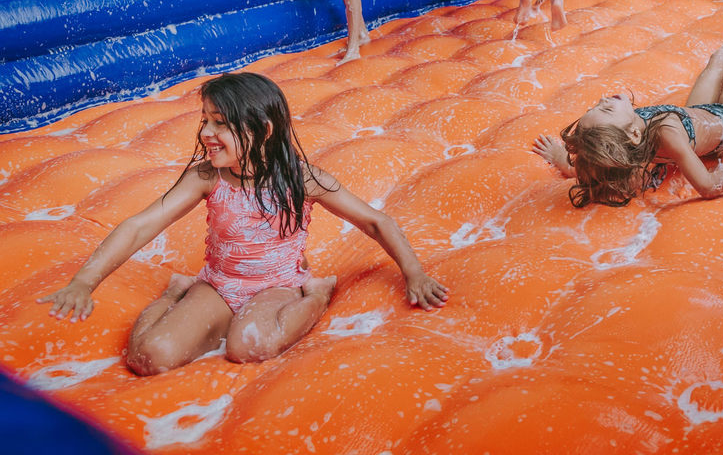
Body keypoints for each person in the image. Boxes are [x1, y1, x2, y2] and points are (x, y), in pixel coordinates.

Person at [37, 72, 448, 375]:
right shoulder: (206, 177)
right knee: (149, 359)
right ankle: (175, 291)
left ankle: (316, 295)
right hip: (218, 285)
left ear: (263, 130)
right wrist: (83, 282)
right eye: (205, 119)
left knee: (248, 345)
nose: (206, 133)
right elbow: (140, 225)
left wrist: (414, 273)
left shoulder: (302, 179)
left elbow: (375, 222)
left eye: (219, 122)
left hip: (277, 285)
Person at [534, 0, 723, 207]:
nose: (603, 100)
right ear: (633, 135)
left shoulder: (617, 145)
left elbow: (593, 167)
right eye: (605, 110)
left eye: (595, 106)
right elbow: (709, 187)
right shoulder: (666, 131)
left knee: (718, 59)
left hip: (698, 114)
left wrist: (564, 161)